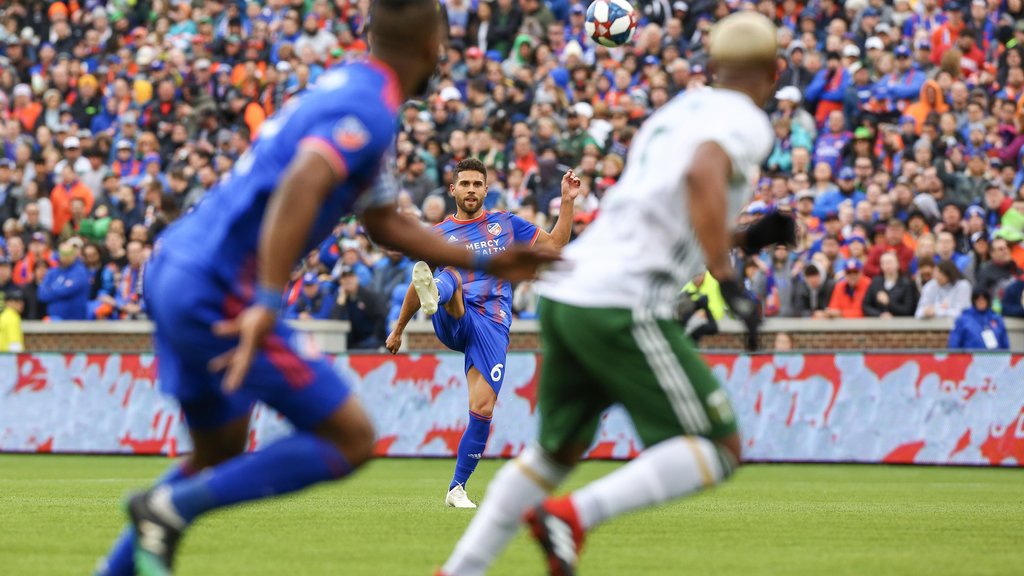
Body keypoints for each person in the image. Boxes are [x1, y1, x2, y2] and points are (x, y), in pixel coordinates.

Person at [97, 3, 556, 576]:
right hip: (220, 286)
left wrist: (478, 258)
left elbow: (384, 222)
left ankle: (124, 555)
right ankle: (168, 507)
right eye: (442, 43)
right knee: (351, 438)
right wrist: (267, 300)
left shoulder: (349, 88)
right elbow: (305, 180)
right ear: (431, 46)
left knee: (218, 450)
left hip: (172, 266)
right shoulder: (369, 109)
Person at [438, 13, 782, 576]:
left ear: (713, 66)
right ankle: (575, 516)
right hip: (622, 303)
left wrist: (744, 237)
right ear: (774, 71)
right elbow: (703, 173)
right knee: (719, 446)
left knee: (551, 455)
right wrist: (726, 276)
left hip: (572, 295)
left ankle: (459, 570)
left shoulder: (676, 112)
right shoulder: (745, 119)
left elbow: (661, 209)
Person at [385, 157, 578, 508]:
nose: (471, 190)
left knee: (483, 407)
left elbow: (554, 246)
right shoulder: (438, 234)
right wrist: (398, 329)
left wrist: (567, 201)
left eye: (477, 184)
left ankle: (457, 489)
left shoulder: (506, 224)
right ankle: (441, 294)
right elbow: (416, 285)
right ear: (453, 189)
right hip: (452, 317)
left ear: (486, 189)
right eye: (465, 184)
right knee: (451, 278)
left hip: (491, 324)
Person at [331, 268, 385, 349]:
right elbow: (334, 320)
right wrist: (341, 303)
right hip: (350, 342)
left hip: (371, 340)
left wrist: (375, 336)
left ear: (357, 279)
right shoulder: (340, 298)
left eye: (351, 277)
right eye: (345, 278)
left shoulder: (369, 295)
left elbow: (380, 318)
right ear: (341, 282)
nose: (348, 281)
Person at [37, 241, 90, 321]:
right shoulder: (52, 272)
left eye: (68, 254)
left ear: (74, 255)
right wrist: (60, 289)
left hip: (76, 322)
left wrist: (52, 289)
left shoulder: (80, 272)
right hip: (54, 320)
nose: (65, 257)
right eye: (63, 254)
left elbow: (69, 290)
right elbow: (42, 294)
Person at [862, 252, 918, 317]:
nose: (887, 265)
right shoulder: (875, 282)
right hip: (878, 323)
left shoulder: (907, 283)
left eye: (890, 262)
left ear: (898, 264)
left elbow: (908, 310)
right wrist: (879, 315)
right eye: (884, 263)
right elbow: (866, 305)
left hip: (901, 324)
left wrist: (889, 302)